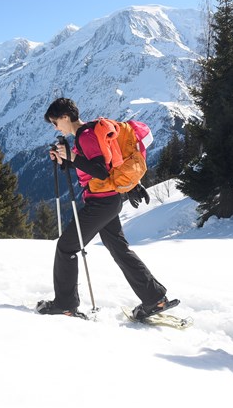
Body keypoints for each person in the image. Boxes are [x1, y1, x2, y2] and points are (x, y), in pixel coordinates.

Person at [36, 97, 170, 318]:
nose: (55, 127)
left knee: (66, 247)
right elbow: (89, 168)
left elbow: (101, 171)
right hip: (107, 201)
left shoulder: (86, 136)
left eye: (55, 122)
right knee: (119, 249)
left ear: (65, 117)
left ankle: (65, 304)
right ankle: (155, 299)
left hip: (102, 203)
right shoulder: (86, 134)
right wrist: (65, 160)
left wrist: (72, 156)